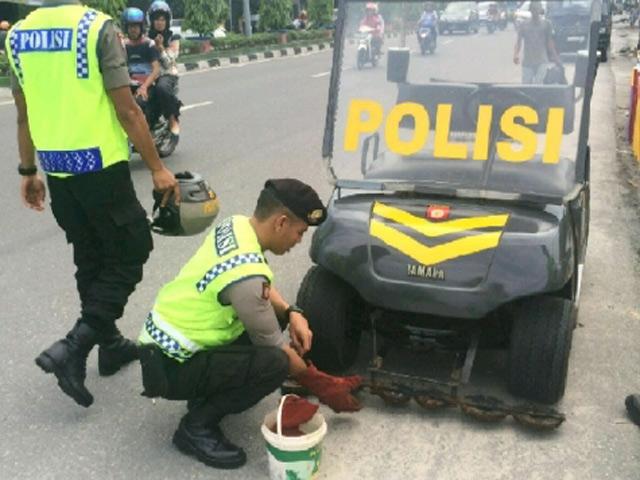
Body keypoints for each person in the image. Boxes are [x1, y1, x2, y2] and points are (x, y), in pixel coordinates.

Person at [4, 0, 179, 408]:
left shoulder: (18, 35)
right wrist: (157, 168)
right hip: (100, 168)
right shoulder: (94, 27)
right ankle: (75, 347)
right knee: (133, 249)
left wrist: (28, 170)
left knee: (91, 256)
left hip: (57, 172)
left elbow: (23, 113)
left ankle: (110, 344)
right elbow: (127, 109)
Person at [138, 179, 363, 469]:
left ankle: (205, 391)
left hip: (161, 348)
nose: (298, 241)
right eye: (300, 232)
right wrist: (322, 384)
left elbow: (258, 286)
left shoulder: (236, 226)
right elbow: (271, 332)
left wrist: (292, 311)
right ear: (281, 222)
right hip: (170, 368)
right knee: (275, 364)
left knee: (276, 317)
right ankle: (195, 427)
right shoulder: (246, 275)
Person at [146, 1, 181, 145]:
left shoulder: (173, 38)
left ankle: (172, 119)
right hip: (148, 74)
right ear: (151, 20)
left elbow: (169, 62)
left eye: (163, 19)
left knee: (161, 88)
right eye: (156, 19)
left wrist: (160, 48)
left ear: (167, 21)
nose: (160, 22)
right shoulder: (146, 37)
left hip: (167, 74)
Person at [122, 8, 161, 127]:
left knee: (139, 103)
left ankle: (146, 132)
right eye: (130, 26)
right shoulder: (123, 45)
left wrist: (144, 87)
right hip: (130, 84)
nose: (133, 29)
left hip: (147, 85)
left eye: (136, 26)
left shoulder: (149, 44)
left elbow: (156, 69)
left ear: (141, 27)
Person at [513, 1, 561, 84]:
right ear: (530, 10)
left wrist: (556, 58)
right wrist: (515, 54)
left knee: (538, 85)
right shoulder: (524, 25)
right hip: (528, 62)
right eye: (533, 9)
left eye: (537, 9)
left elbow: (550, 43)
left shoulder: (546, 24)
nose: (535, 11)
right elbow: (518, 42)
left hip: (542, 61)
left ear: (540, 10)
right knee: (526, 86)